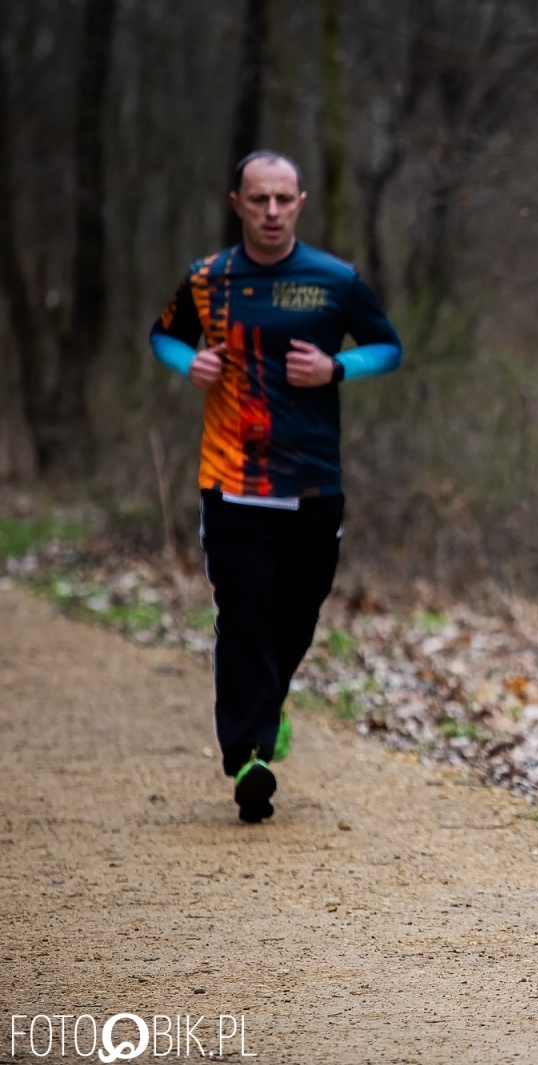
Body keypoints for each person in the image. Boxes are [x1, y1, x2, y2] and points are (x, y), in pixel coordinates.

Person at [149, 151, 402, 823]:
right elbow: (163, 336)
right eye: (257, 199)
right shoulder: (209, 279)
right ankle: (248, 754)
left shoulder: (335, 280)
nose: (270, 211)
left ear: (301, 203)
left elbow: (388, 346)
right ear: (236, 202)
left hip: (315, 479)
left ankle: (269, 708)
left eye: (282, 199)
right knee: (243, 612)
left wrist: (336, 366)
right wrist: (190, 361)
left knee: (297, 613)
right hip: (232, 479)